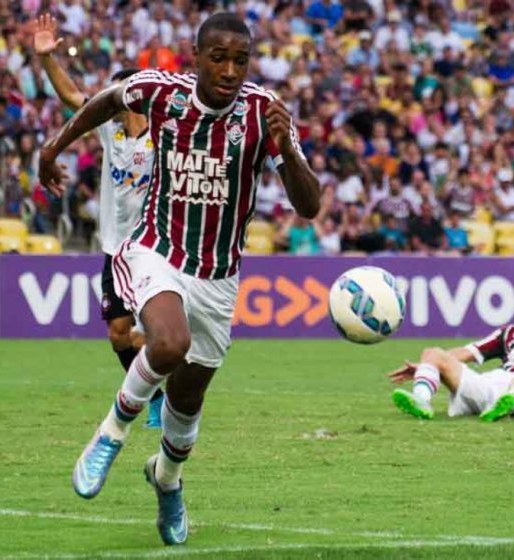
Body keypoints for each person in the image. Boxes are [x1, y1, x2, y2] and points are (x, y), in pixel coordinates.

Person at [38, 13, 320, 546]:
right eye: (219, 57)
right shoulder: (161, 93)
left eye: (241, 60)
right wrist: (53, 148)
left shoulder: (265, 115)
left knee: (188, 405)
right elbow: (106, 99)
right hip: (156, 251)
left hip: (218, 277)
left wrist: (285, 151)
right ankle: (109, 434)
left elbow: (310, 205)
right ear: (195, 56)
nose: (231, 70)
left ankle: (167, 481)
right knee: (168, 343)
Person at [33, 13, 164, 429]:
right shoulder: (110, 130)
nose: (114, 98)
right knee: (118, 336)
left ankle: (168, 382)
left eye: (121, 92)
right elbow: (73, 97)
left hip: (155, 248)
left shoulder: (162, 136)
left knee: (163, 336)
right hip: (115, 249)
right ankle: (158, 389)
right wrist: (48, 58)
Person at [389, 278, 514, 422]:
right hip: (489, 384)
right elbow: (468, 352)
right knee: (431, 352)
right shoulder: (511, 332)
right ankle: (421, 401)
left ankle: (507, 405)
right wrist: (428, 366)